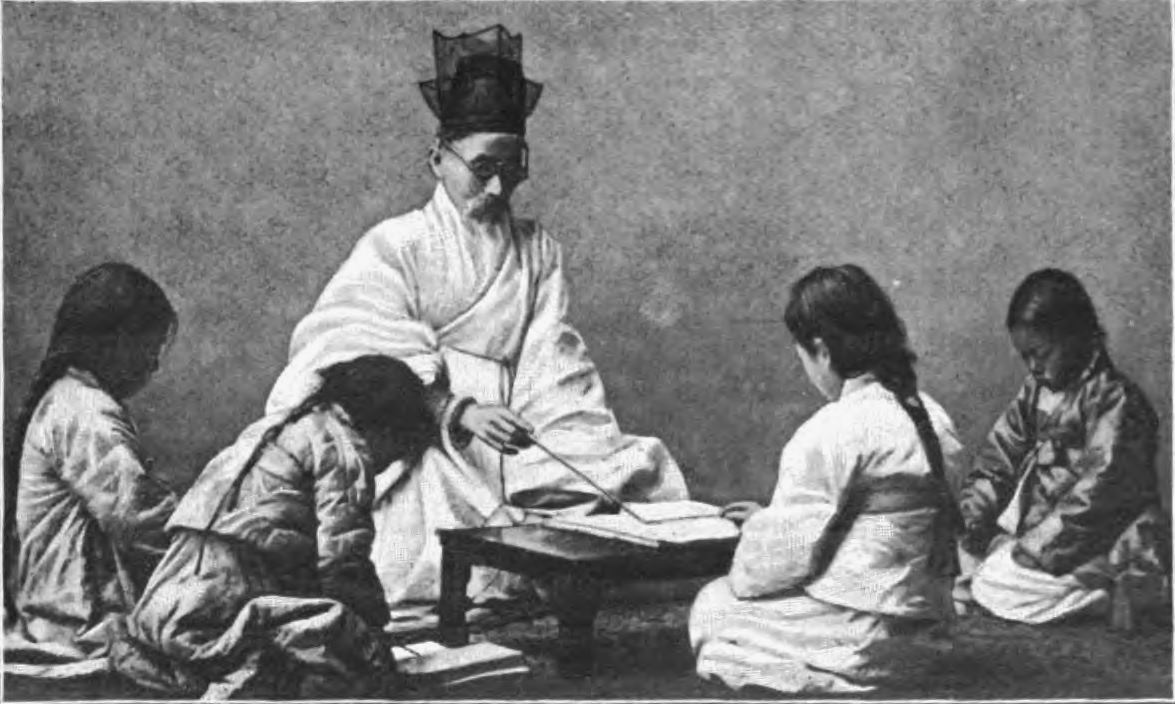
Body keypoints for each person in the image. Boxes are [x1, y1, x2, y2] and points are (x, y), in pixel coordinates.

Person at [265, 25, 687, 620]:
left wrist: (551, 432)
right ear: (439, 158)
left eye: (512, 171)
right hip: (423, 427)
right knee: (429, 528)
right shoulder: (399, 243)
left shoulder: (538, 249)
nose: (496, 187)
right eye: (482, 167)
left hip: (520, 419)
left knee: (615, 479)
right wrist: (454, 410)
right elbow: (349, 337)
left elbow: (551, 351)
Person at [689, 264, 962, 694]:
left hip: (865, 635)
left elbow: (777, 565)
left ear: (822, 350)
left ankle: (832, 679)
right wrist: (771, 518)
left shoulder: (827, 430)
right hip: (931, 633)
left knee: (712, 605)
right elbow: (857, 525)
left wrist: (759, 529)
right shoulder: (933, 416)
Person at [110, 355, 435, 699]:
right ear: (385, 427)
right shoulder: (344, 447)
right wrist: (374, 629)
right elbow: (343, 559)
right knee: (344, 654)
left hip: (173, 587)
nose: (383, 468)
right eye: (393, 453)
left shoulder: (281, 425)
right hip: (225, 595)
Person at [958, 269, 1169, 625]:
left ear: (1077, 336)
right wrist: (972, 523)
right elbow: (998, 458)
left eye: (1041, 354)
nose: (1034, 367)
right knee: (964, 564)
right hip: (1036, 533)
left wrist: (1034, 549)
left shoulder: (1116, 400)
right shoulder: (1034, 391)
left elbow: (1100, 493)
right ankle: (1006, 576)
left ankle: (1100, 596)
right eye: (1026, 358)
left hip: (1095, 541)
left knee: (993, 583)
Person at [4, 262, 179, 660]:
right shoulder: (85, 411)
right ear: (111, 341)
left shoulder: (66, 398)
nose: (154, 363)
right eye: (149, 345)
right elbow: (139, 519)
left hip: (56, 615)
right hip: (76, 629)